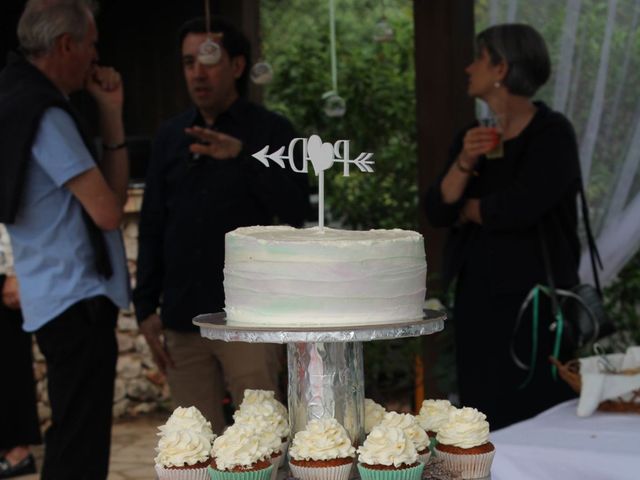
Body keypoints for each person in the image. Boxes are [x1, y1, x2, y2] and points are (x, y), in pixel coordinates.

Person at [133, 16, 309, 433]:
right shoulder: (170, 135)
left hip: (247, 318)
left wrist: (244, 157)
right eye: (189, 61)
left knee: (262, 438)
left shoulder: (271, 131)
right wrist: (144, 305)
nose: (198, 71)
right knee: (193, 445)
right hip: (183, 316)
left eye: (209, 59)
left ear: (237, 65)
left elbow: (297, 208)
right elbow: (154, 221)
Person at [424, 23, 577, 430]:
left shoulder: (552, 134)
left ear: (501, 69)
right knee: (484, 413)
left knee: (539, 408)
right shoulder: (474, 137)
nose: (467, 68)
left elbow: (518, 208)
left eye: (478, 58)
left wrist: (469, 207)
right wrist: (464, 163)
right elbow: (437, 210)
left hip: (536, 302)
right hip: (480, 299)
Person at [0, 0, 130, 478]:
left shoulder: (16, 97)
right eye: (92, 45)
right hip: (77, 295)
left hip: (51, 291)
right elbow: (109, 210)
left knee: (75, 431)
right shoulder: (46, 115)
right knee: (79, 443)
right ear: (66, 44)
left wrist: (110, 114)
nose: (96, 57)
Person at [0, 226, 40, 479]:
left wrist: (14, 271)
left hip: (4, 273)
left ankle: (19, 451)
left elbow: (8, 216)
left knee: (9, 361)